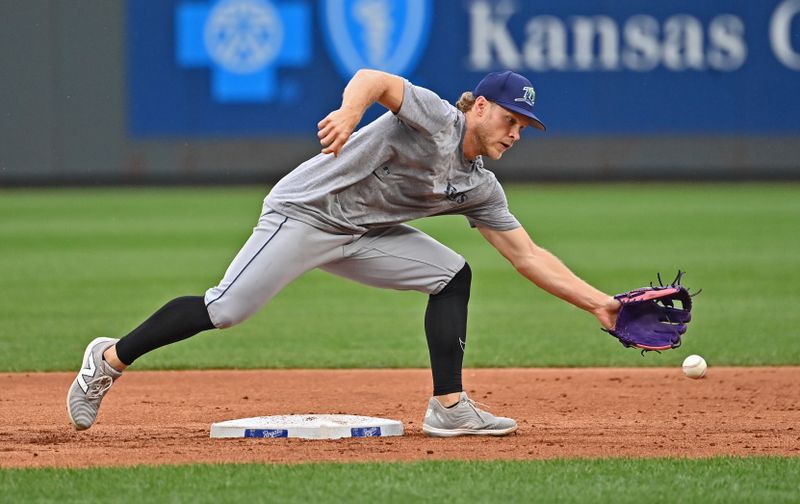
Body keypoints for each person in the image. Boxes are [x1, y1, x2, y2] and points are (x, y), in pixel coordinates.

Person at [67, 69, 621, 437]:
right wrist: (351, 113)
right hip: (304, 213)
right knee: (226, 310)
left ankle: (448, 409)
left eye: (524, 127)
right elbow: (374, 79)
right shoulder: (435, 119)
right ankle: (109, 359)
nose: (516, 133)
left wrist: (601, 304)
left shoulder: (480, 186)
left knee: (451, 274)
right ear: (477, 107)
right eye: (509, 119)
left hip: (363, 235)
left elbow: (529, 256)